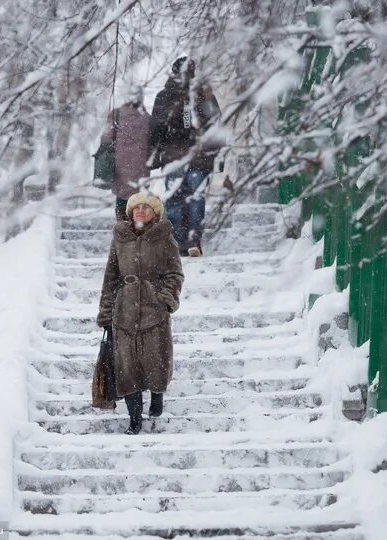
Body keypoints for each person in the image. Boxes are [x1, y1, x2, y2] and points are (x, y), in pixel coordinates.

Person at [96, 192, 184, 434]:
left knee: (156, 361)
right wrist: (106, 313)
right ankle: (134, 419)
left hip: (154, 310)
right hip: (123, 310)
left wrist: (165, 300)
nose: (140, 211)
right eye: (136, 207)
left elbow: (175, 274)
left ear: (155, 213)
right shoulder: (120, 237)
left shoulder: (164, 237)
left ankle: (157, 395)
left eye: (146, 208)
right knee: (126, 366)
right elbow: (111, 277)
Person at [148, 56, 223, 256]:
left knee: (174, 199)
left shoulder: (164, 96)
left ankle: (176, 241)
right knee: (195, 199)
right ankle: (192, 241)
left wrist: (157, 150)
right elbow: (217, 125)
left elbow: (155, 128)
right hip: (198, 158)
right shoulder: (203, 96)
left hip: (174, 158)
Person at [101, 86, 150, 221]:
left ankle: (123, 228)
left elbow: (106, 138)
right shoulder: (147, 118)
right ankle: (137, 229)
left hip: (120, 168)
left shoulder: (116, 115)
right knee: (139, 201)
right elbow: (154, 143)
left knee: (122, 198)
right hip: (141, 169)